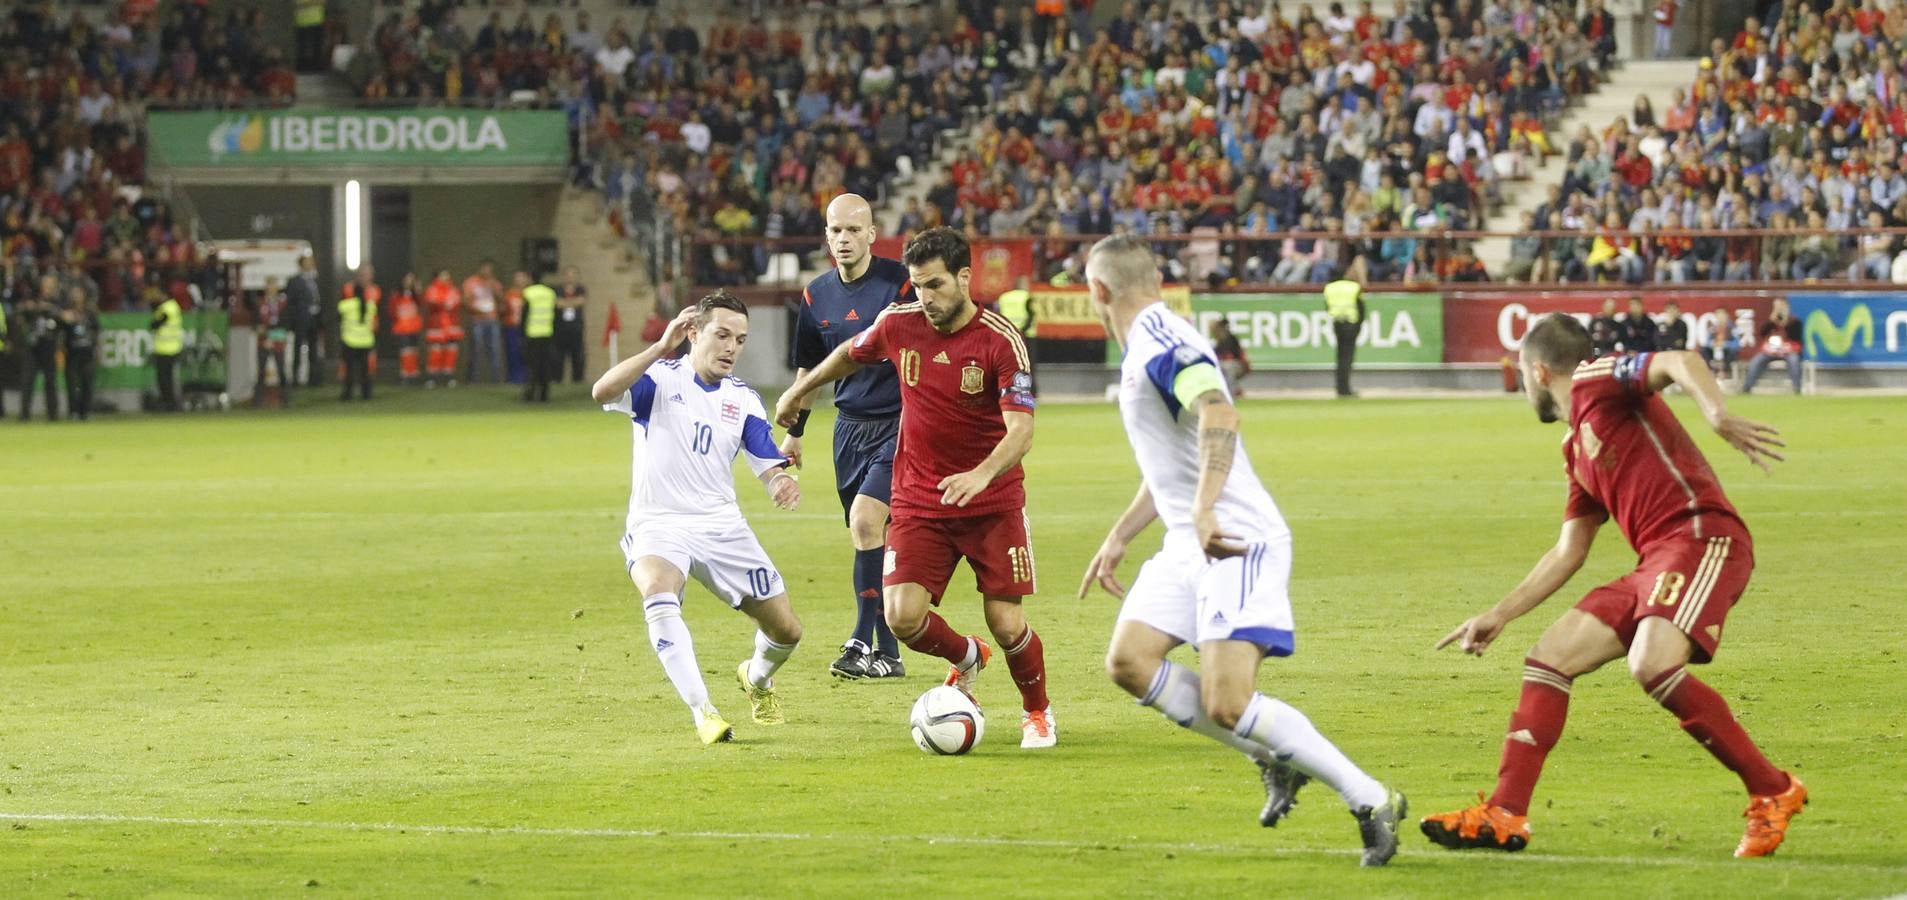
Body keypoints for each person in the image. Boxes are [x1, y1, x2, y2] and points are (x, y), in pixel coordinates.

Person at [1423, 313, 1804, 858]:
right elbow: (1568, 551)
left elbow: (1677, 360)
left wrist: (1716, 413)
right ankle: (1504, 814)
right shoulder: (1575, 448)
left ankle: (1773, 789)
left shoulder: (1593, 379)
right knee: (1549, 657)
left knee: (1651, 663)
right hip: (1657, 558)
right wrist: (1500, 613)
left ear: (1538, 370)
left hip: (1702, 536)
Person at [1080, 235, 1406, 866]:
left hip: (1234, 539)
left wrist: (1203, 508)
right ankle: (1273, 757)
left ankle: (1370, 798)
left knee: (1227, 702)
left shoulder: (1161, 343)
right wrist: (1121, 534)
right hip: (1190, 540)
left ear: (1098, 291)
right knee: (1130, 661)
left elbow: (1219, 414)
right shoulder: (1151, 341)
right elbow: (1171, 457)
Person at [775, 227, 1057, 749]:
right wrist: (800, 389)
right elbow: (848, 354)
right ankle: (966, 658)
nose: (925, 297)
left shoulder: (1000, 340)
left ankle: (1036, 712)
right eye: (917, 285)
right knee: (902, 617)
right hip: (920, 500)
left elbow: (1022, 431)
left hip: (991, 503)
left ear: (964, 278)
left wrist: (979, 475)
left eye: (935, 285)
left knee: (1006, 621)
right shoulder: (900, 324)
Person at [591, 292, 804, 745]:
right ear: (693, 333)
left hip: (721, 527)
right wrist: (656, 348)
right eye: (722, 335)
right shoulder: (660, 380)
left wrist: (779, 483)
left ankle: (758, 679)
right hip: (659, 522)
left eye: (740, 340)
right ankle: (703, 712)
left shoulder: (743, 399)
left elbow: (766, 460)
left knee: (786, 629)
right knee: (657, 588)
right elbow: (602, 391)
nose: (731, 348)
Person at [779, 194, 914, 680]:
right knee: (868, 535)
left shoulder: (899, 281)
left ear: (872, 234)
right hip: (848, 429)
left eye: (854, 230)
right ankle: (890, 655)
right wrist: (795, 433)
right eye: (836, 230)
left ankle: (859, 640)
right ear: (827, 237)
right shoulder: (816, 295)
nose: (844, 239)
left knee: (865, 520)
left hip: (899, 424)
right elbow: (809, 369)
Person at [20, 280, 62, 421]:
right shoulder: (33, 300)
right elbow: (22, 310)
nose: (48, 290)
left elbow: (63, 317)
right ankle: (24, 414)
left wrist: (50, 308)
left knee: (50, 381)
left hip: (49, 345)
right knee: (28, 380)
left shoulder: (58, 303)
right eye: (46, 287)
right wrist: (34, 307)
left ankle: (53, 414)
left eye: (50, 287)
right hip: (33, 346)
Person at [1741, 298, 1803, 395]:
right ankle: (1747, 387)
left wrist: (1786, 323)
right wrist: (1771, 321)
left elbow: (1797, 338)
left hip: (1788, 350)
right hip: (1770, 350)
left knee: (1794, 360)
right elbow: (1762, 333)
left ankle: (1797, 388)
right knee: (1756, 361)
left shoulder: (1795, 322)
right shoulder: (1771, 322)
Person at [338, 265, 380, 402]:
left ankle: (348, 394)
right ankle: (366, 394)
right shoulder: (370, 306)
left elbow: (340, 313)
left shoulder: (346, 305)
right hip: (366, 339)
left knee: (350, 369)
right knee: (365, 369)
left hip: (349, 339)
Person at [1323, 271, 1364, 397]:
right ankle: (1346, 389)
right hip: (1351, 324)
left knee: (1340, 357)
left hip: (1337, 323)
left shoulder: (1329, 288)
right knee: (1347, 358)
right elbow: (1361, 308)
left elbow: (1327, 307)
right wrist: (1358, 325)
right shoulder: (1353, 287)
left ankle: (1340, 387)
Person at [286, 254, 324, 387]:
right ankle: (295, 379)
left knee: (313, 352)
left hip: (314, 320)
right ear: (302, 264)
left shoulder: (315, 280)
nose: (311, 264)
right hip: (301, 320)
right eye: (308, 262)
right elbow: (291, 303)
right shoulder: (294, 281)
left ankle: (313, 380)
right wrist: (293, 321)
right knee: (297, 350)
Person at [463, 260, 504, 382]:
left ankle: (496, 380)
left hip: (492, 320)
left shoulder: (495, 283)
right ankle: (472, 380)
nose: (487, 271)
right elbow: (466, 300)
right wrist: (476, 310)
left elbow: (501, 300)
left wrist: (495, 290)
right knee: (475, 350)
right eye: (485, 269)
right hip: (478, 320)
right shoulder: (471, 283)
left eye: (489, 269)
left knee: (495, 350)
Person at [254, 277, 291, 407]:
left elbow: (285, 323)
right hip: (263, 342)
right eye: (269, 285)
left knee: (281, 370)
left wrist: (270, 333)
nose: (271, 288)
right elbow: (257, 325)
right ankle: (258, 401)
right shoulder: (259, 303)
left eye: (274, 285)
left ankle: (286, 399)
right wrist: (265, 333)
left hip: (278, 341)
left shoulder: (283, 303)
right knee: (261, 372)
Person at [62, 289, 99, 421]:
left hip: (87, 352)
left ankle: (87, 411)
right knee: (72, 384)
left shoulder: (90, 313)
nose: (76, 297)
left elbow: (97, 332)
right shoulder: (66, 313)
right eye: (74, 294)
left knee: (87, 383)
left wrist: (98, 350)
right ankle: (74, 412)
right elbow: (61, 333)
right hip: (72, 353)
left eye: (78, 294)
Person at [424, 269, 464, 388]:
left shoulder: (453, 289)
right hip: (437, 325)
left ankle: (449, 376)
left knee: (451, 350)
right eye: (443, 275)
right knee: (435, 351)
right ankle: (432, 378)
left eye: (447, 275)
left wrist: (446, 304)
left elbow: (456, 303)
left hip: (452, 325)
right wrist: (444, 304)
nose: (446, 277)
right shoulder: (432, 289)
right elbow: (432, 303)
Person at [521, 273, 557, 403]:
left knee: (532, 366)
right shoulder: (550, 293)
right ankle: (544, 394)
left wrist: (522, 333)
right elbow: (555, 313)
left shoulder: (528, 293)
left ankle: (529, 393)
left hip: (532, 334)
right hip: (547, 333)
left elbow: (524, 314)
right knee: (545, 366)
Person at [149, 284, 184, 412]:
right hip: (167, 348)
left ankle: (170, 403)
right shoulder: (170, 307)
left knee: (165, 380)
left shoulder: (168, 308)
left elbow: (155, 324)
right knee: (166, 379)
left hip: (168, 349)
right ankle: (169, 403)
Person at [388, 274, 425, 386]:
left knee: (413, 350)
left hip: (413, 327)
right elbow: (392, 310)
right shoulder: (397, 295)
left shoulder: (415, 296)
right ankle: (405, 374)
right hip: (402, 327)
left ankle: (413, 373)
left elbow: (422, 304)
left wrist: (419, 291)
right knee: (405, 351)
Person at [556, 266, 588, 383]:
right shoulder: (558, 290)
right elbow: (557, 303)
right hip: (560, 329)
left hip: (576, 329)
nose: (571, 277)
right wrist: (573, 303)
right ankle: (557, 380)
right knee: (559, 357)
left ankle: (577, 380)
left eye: (573, 274)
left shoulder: (581, 289)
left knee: (578, 356)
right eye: (568, 275)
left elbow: (581, 301)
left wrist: (565, 303)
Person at [1210, 318, 1250, 397]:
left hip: (1239, 365)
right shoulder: (1219, 341)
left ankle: (1232, 392)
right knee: (1219, 367)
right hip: (1227, 365)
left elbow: (1231, 357)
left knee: (1227, 367)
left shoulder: (1231, 339)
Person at [504, 270, 529, 384]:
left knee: (526, 354)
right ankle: (514, 379)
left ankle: (527, 378)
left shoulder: (530, 293)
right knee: (513, 353)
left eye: (522, 277)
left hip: (528, 328)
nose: (519, 280)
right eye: (517, 278)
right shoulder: (509, 294)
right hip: (512, 327)